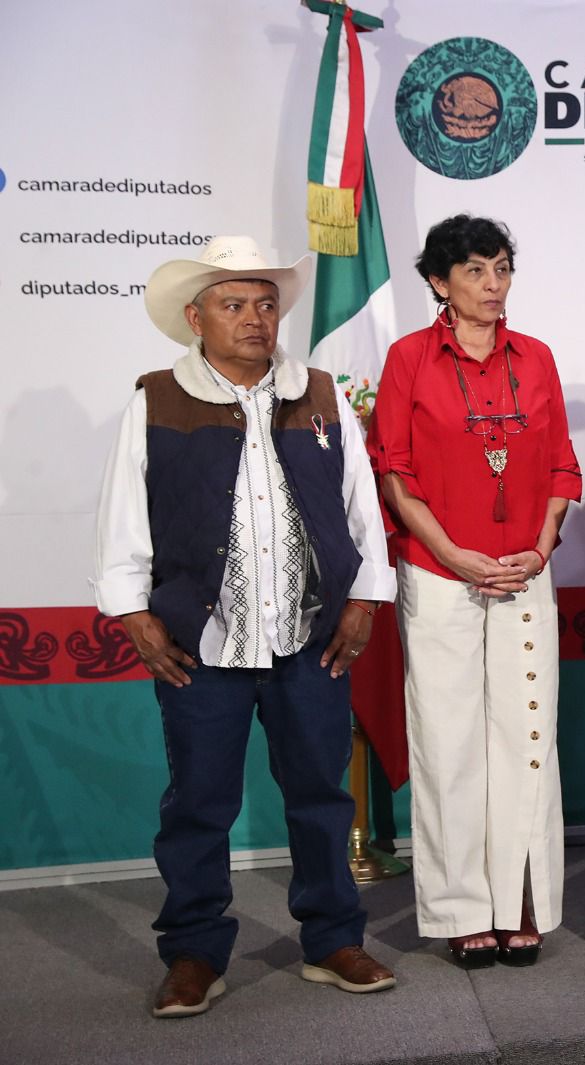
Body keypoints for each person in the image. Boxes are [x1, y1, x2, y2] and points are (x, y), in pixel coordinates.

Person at [93, 235, 398, 1017]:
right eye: (234, 304)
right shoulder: (155, 400)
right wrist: (134, 613)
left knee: (321, 796)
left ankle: (332, 939)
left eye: (266, 303)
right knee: (198, 803)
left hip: (310, 637)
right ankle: (194, 951)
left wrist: (364, 600)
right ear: (197, 318)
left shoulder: (320, 394)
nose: (256, 318)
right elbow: (124, 515)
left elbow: (361, 507)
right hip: (201, 644)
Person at [369, 215, 582, 966]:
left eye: (502, 269)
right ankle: (464, 907)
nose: (494, 285)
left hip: (524, 572)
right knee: (449, 741)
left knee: (526, 737)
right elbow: (395, 473)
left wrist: (541, 547)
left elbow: (561, 467)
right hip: (439, 576)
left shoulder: (538, 357)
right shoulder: (408, 359)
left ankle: (520, 899)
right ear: (439, 281)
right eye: (476, 271)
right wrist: (454, 554)